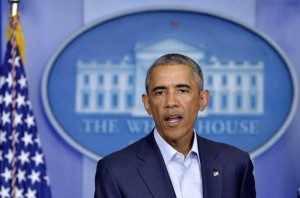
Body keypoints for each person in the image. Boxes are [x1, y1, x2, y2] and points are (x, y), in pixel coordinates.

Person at [94, 53, 256, 198]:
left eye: (182, 90)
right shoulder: (115, 171)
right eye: (160, 93)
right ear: (147, 103)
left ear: (202, 99)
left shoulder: (235, 164)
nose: (171, 102)